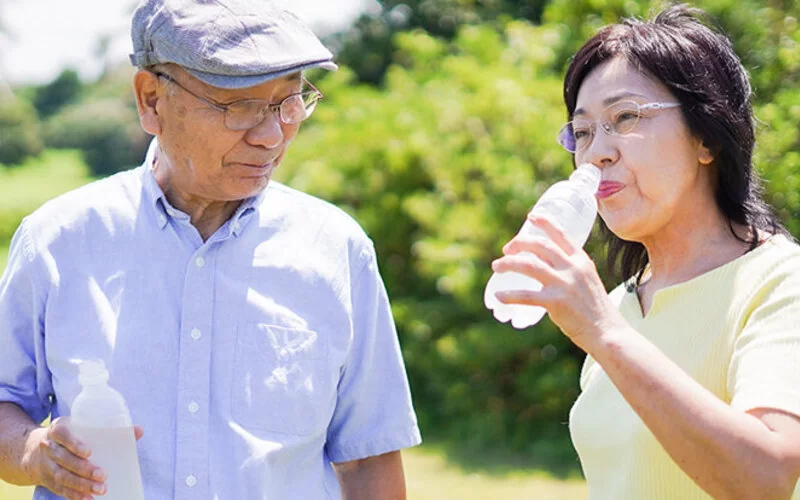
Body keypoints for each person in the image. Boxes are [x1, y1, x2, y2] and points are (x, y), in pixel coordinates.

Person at [0, 1, 421, 498]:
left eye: (289, 102)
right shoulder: (58, 239)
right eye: (238, 107)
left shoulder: (338, 249)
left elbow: (369, 458)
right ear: (151, 99)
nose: (270, 136)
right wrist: (36, 452)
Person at [491, 4, 800, 499]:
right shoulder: (618, 305)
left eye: (626, 117)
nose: (596, 153)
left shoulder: (781, 284)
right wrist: (604, 324)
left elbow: (766, 479)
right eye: (584, 131)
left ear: (706, 136)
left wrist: (603, 333)